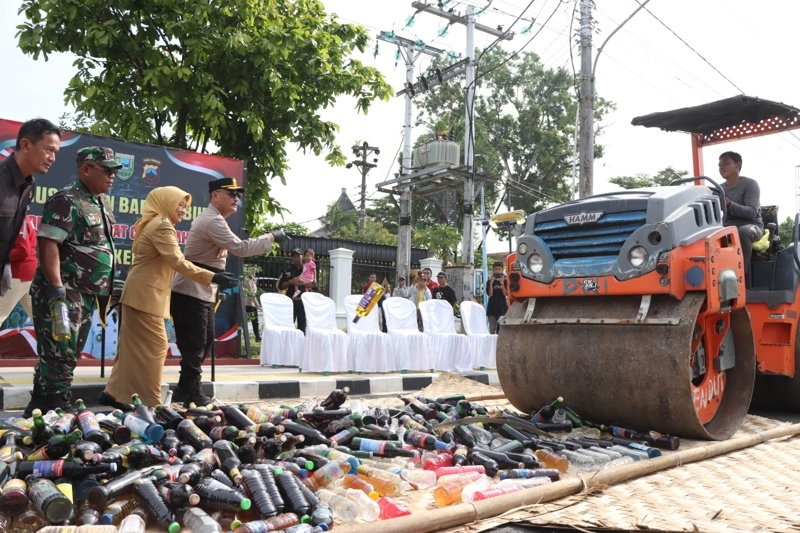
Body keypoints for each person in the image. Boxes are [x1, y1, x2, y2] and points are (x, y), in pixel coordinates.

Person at [101, 187, 238, 409]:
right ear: (165, 202)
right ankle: (152, 402)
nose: (183, 210)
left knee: (130, 349)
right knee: (157, 347)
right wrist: (213, 277)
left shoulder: (152, 223)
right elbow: (178, 262)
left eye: (185, 205)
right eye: (180, 204)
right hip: (146, 295)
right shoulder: (162, 226)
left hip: (138, 293)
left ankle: (113, 393)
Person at [170, 177, 289, 407]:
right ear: (215, 196)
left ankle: (184, 390)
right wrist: (271, 236)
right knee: (195, 344)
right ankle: (192, 390)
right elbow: (241, 248)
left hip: (202, 288)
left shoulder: (217, 219)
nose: (236, 198)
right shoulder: (212, 220)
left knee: (203, 342)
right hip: (190, 288)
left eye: (238, 194)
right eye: (230, 193)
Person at [24, 146, 119, 416]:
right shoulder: (67, 199)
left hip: (86, 293)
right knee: (60, 355)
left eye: (115, 172)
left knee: (65, 354)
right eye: (107, 170)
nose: (112, 176)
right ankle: (58, 408)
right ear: (86, 169)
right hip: (64, 291)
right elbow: (48, 243)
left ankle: (39, 407)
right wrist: (56, 288)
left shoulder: (100, 202)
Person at [1, 118, 62, 298]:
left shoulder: (29, 185)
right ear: (26, 145)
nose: (52, 158)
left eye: (55, 152)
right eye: (48, 150)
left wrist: (5, 264)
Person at [718, 151, 763, 282]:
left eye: (726, 163)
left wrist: (730, 204)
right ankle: (722, 275)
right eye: (720, 165)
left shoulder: (750, 184)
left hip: (752, 226)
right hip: (729, 227)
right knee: (718, 233)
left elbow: (752, 212)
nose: (722, 168)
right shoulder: (718, 188)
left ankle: (742, 275)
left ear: (738, 165)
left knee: (742, 232)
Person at [0, 216, 36, 326]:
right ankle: (60, 342)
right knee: (40, 321)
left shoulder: (17, 219)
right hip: (25, 275)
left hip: (18, 275)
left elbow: (23, 251)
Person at [278, 248, 314, 332]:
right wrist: (291, 282)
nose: (296, 258)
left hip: (303, 302)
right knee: (288, 326)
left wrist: (301, 283)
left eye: (298, 256)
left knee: (302, 327)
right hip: (291, 301)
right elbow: (281, 286)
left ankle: (302, 344)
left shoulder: (308, 268)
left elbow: (314, 285)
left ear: (303, 257)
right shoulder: (288, 270)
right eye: (294, 257)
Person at [486, 261, 508, 334]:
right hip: (492, 308)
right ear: (493, 270)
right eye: (496, 269)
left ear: (502, 270)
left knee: (501, 329)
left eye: (499, 269)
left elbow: (505, 294)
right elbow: (490, 294)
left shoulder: (505, 281)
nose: (497, 271)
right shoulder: (489, 281)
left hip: (502, 308)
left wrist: (502, 283)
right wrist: (491, 283)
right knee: (492, 329)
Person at [242, 270, 262, 343]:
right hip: (249, 303)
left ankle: (257, 336)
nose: (255, 273)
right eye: (253, 272)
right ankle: (256, 336)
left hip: (250, 303)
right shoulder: (249, 281)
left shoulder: (251, 280)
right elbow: (251, 293)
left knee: (254, 321)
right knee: (254, 321)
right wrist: (258, 305)